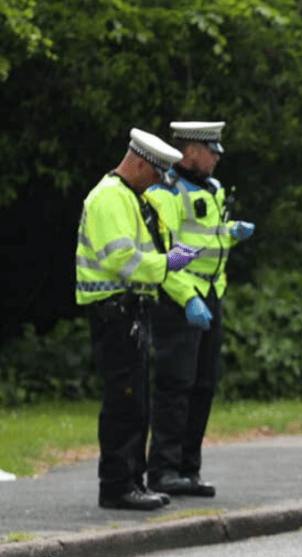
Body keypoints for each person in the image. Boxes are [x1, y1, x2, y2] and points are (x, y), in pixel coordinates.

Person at [75, 128, 199, 510]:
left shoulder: (131, 197)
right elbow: (121, 260)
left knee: (136, 403)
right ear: (140, 163)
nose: (160, 183)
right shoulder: (111, 198)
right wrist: (167, 263)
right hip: (115, 312)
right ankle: (116, 486)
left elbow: (141, 251)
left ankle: (133, 481)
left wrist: (169, 257)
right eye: (157, 173)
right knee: (124, 402)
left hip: (130, 312)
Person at [145, 121, 254, 498]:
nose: (217, 157)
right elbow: (161, 253)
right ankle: (162, 470)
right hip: (180, 297)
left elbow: (207, 238)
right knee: (175, 385)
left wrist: (232, 232)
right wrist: (187, 296)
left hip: (210, 293)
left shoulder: (213, 188)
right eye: (212, 150)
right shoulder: (166, 191)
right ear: (190, 151)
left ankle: (188, 469)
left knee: (204, 385)